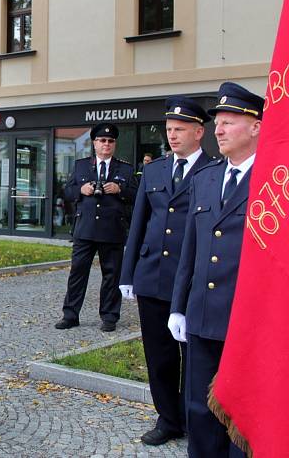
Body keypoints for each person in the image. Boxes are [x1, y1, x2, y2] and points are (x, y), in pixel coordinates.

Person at [169, 82, 261, 458]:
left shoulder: (274, 183)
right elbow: (189, 249)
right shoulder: (205, 178)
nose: (219, 130)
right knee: (200, 410)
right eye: (217, 123)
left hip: (247, 321)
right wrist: (178, 305)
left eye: (228, 122)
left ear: (256, 126)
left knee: (242, 416)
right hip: (203, 316)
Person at [118, 97, 212, 446]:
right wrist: (127, 274)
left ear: (199, 132)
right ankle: (168, 418)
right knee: (158, 355)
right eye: (169, 129)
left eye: (180, 129)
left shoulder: (212, 171)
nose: (172, 136)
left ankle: (194, 419)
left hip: (191, 279)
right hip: (152, 274)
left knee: (194, 357)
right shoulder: (155, 170)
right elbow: (139, 222)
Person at [56, 123, 138, 332]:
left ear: (114, 144)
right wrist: (81, 190)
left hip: (112, 229)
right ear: (94, 143)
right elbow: (67, 191)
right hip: (85, 228)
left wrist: (119, 189)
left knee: (112, 275)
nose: (106, 144)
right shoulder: (81, 166)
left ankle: (109, 317)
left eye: (110, 141)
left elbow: (137, 196)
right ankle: (70, 315)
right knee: (77, 273)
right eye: (102, 141)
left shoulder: (126, 168)